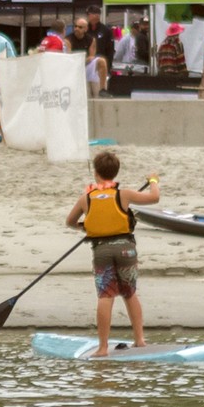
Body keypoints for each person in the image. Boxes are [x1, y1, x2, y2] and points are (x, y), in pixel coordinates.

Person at [64, 151, 160, 358]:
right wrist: (153, 180)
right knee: (129, 292)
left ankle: (102, 348)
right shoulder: (124, 194)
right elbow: (154, 197)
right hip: (126, 249)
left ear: (96, 173)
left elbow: (70, 222)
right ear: (115, 173)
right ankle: (140, 340)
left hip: (102, 251)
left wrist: (87, 227)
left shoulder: (86, 198)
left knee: (106, 296)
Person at [68, 17, 109, 97]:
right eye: (75, 26)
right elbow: (70, 59)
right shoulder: (68, 40)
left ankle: (102, 89)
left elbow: (91, 57)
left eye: (80, 27)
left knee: (102, 61)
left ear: (85, 29)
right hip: (73, 67)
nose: (76, 29)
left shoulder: (91, 40)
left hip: (85, 64)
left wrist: (84, 60)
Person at [85, 6, 115, 93]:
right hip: (87, 65)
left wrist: (108, 68)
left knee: (99, 93)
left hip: (101, 66)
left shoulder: (106, 30)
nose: (95, 16)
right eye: (92, 14)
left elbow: (110, 51)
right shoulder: (84, 29)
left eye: (97, 14)